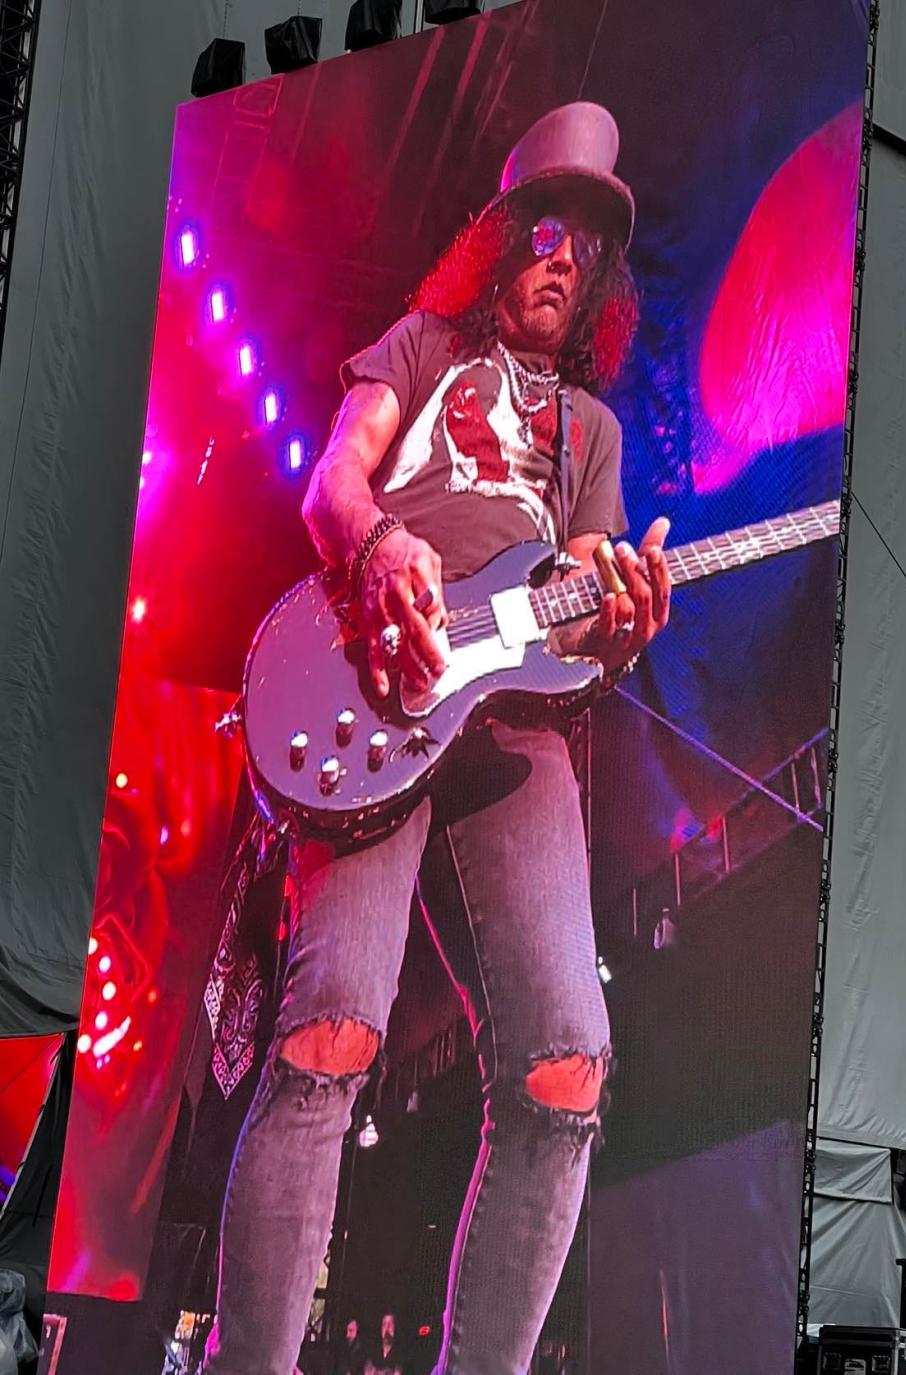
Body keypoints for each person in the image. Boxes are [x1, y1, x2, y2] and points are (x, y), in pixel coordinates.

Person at [202, 101, 671, 1375]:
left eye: (591, 247)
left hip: (517, 727)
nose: (564, 259)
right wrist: (384, 543)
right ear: (505, 244)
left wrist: (621, 618)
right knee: (329, 1034)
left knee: (566, 1071)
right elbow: (332, 483)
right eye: (547, 230)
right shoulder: (420, 346)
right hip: (378, 676)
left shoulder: (592, 436)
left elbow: (584, 588)